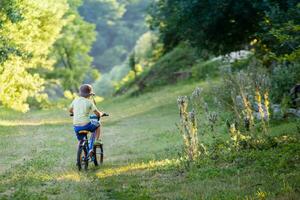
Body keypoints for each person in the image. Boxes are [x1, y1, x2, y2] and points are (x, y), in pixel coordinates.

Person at [69, 84, 103, 155]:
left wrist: (75, 113)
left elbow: (70, 109)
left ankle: (80, 157)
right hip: (86, 125)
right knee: (98, 124)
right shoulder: (89, 102)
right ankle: (96, 140)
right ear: (89, 95)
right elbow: (97, 114)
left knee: (80, 141)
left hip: (76, 126)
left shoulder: (75, 100)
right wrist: (101, 114)